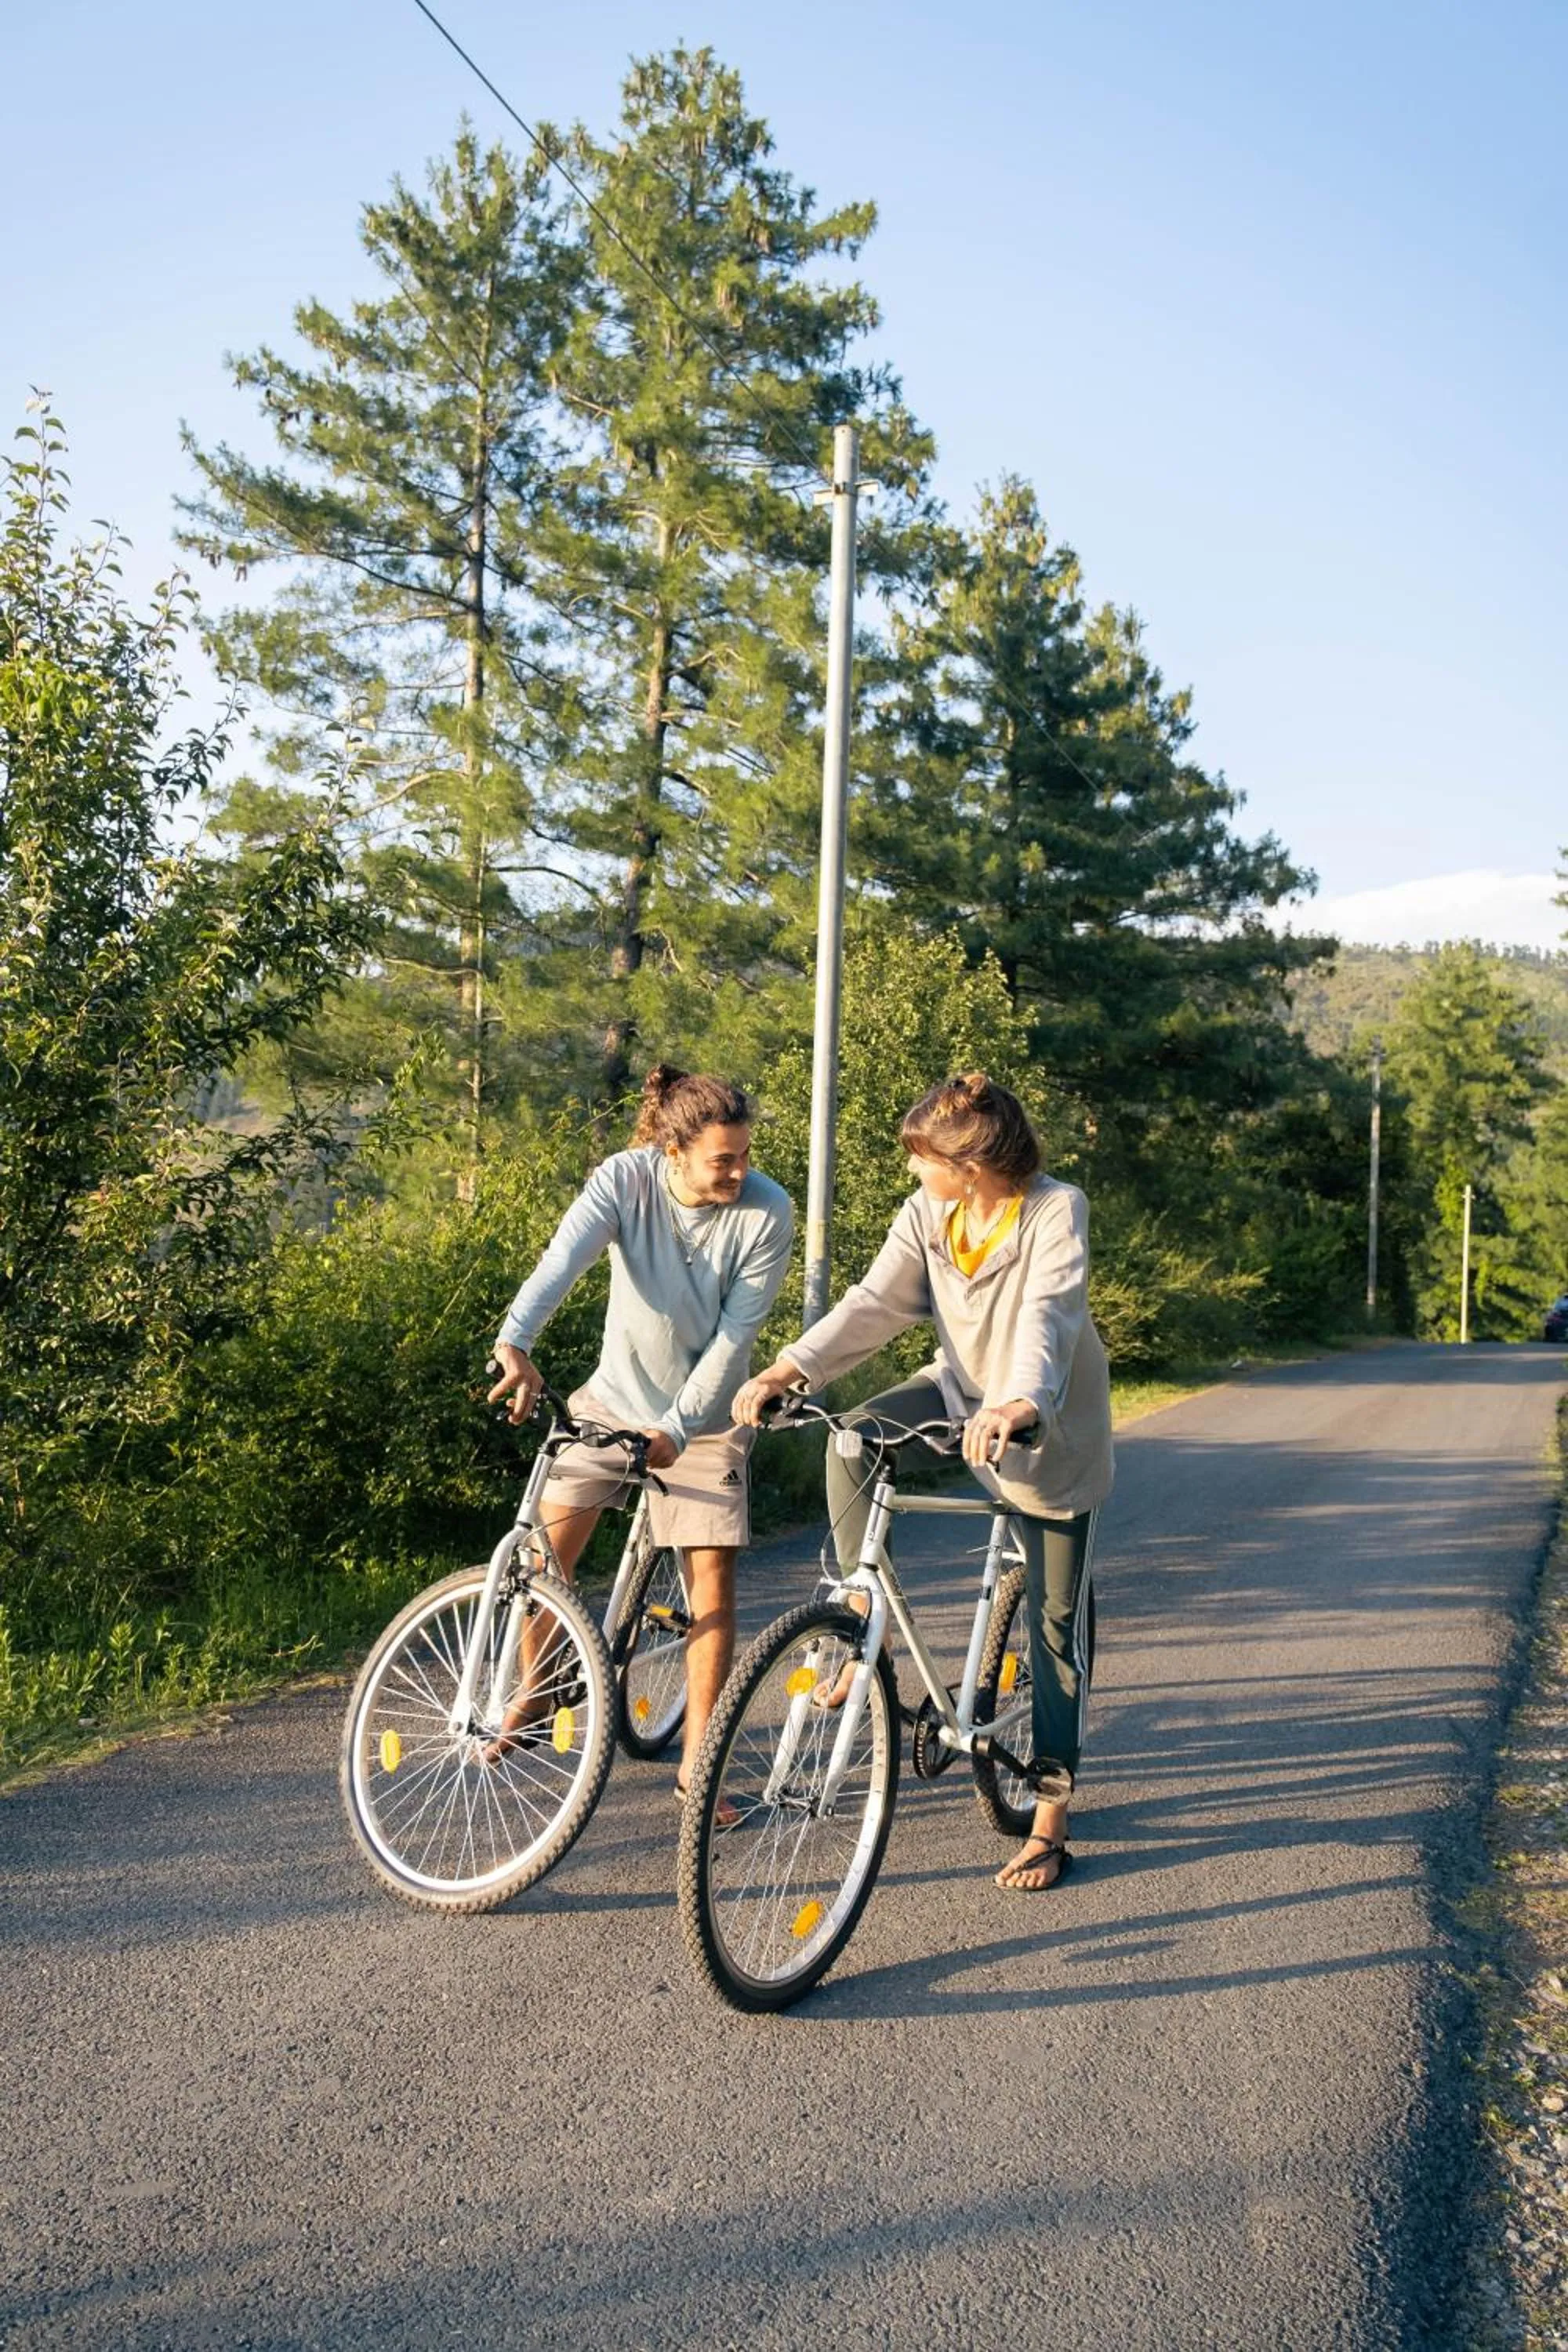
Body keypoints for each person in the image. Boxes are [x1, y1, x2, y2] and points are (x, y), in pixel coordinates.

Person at [733, 1071, 1112, 1893]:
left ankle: (1049, 1819)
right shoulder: (928, 1213)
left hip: (1044, 1425)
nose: (912, 1170)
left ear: (967, 1168)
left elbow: (1048, 1316)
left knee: (1054, 1631)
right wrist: (788, 1370)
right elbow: (872, 1304)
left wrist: (1020, 1401)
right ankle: (858, 1610)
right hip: (959, 1394)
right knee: (851, 1442)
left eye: (921, 1159)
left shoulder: (1054, 1209)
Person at [487, 1066, 793, 1806]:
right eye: (723, 1160)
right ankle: (538, 1689)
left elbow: (733, 1340)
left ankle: (700, 1766)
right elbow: (562, 1261)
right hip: (613, 1400)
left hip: (706, 1422)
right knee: (542, 1557)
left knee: (710, 1583)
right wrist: (515, 1340)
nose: (740, 1172)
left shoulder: (768, 1211)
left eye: (745, 1155)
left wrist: (679, 1427)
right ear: (673, 1152)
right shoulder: (625, 1180)